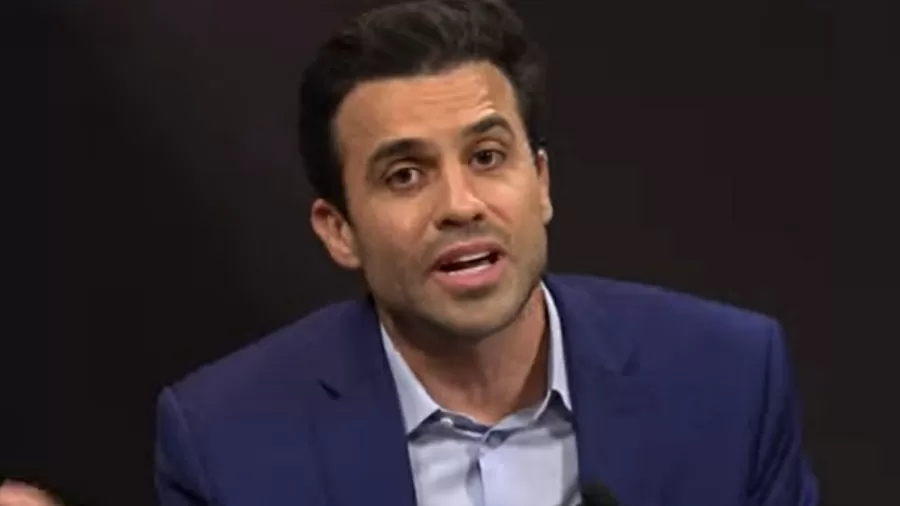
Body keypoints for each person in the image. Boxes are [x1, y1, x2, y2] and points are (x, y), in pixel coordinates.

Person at [7, 1, 819, 505]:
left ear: (541, 183)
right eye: (405, 175)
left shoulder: (726, 382)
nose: (460, 204)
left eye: (488, 156)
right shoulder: (228, 442)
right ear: (338, 229)